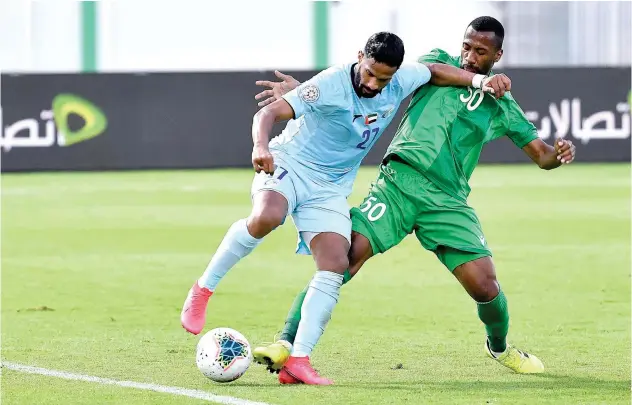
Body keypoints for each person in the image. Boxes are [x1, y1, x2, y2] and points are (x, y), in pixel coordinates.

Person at [251, 16, 576, 385]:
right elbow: (387, 81)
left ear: (497, 54)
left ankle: (499, 347)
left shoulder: (503, 106)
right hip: (398, 184)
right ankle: (286, 343)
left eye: (480, 51)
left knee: (485, 286)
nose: (469, 55)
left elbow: (541, 155)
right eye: (466, 46)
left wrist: (559, 153)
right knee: (345, 257)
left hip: (447, 201)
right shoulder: (438, 64)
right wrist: (310, 94)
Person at [180, 31, 508, 385]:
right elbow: (269, 113)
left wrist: (480, 81)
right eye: (368, 73)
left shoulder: (400, 78)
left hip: (331, 187)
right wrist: (261, 147)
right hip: (291, 164)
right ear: (359, 57)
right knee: (267, 217)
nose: (374, 84)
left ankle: (299, 360)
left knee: (336, 264)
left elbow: (436, 71)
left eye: (384, 78)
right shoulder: (332, 81)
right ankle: (203, 289)